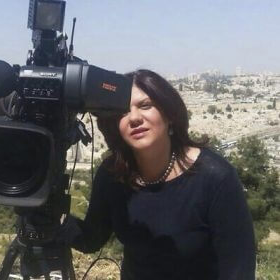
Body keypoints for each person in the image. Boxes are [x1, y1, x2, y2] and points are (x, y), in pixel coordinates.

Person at [59, 69, 256, 279]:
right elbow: (92, 238)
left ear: (169, 113)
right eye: (123, 112)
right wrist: (52, 217)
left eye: (145, 106)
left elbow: (238, 269)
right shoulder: (113, 174)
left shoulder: (216, 178)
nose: (134, 118)